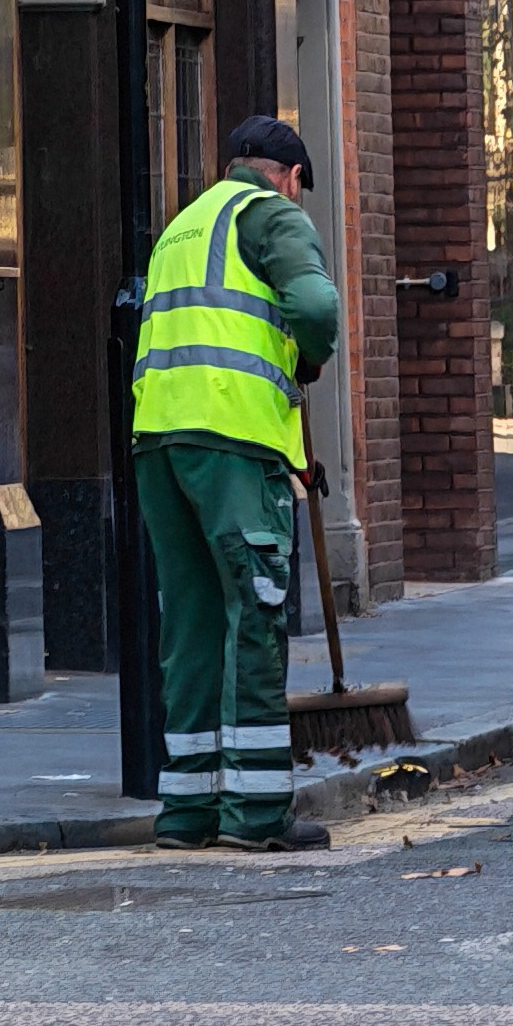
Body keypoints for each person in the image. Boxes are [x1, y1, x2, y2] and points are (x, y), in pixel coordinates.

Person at [129, 113, 344, 851]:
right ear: (287, 176)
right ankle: (255, 815)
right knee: (255, 612)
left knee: (190, 625)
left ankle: (186, 813)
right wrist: (307, 357)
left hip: (159, 441)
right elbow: (316, 307)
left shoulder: (181, 227)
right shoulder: (271, 216)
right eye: (299, 188)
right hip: (233, 440)